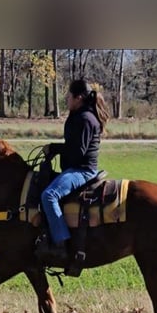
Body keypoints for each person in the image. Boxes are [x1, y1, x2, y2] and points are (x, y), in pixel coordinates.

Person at [37, 78, 109, 265]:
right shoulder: (80, 115)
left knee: (49, 195)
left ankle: (61, 244)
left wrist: (55, 148)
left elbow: (78, 152)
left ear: (78, 98)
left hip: (82, 171)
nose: (66, 99)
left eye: (69, 96)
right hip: (75, 168)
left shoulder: (85, 119)